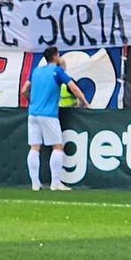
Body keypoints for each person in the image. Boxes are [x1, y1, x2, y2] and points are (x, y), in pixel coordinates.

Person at [20, 46, 88, 191]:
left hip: (33, 113)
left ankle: (35, 183)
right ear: (56, 56)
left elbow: (24, 89)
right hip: (48, 114)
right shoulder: (57, 71)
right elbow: (74, 87)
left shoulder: (36, 71)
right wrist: (84, 102)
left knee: (34, 147)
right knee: (57, 146)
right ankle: (55, 183)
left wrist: (32, 100)